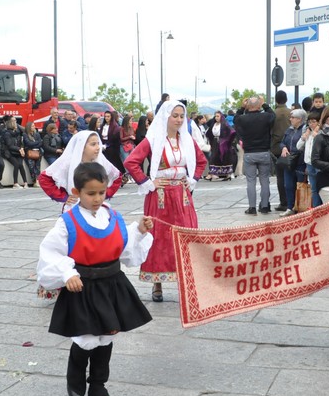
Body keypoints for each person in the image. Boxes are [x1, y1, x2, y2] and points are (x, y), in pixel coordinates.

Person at [36, 161, 155, 396]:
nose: (97, 198)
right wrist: (67, 272)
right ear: (77, 192)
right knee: (87, 337)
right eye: (91, 193)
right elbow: (50, 252)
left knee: (106, 336)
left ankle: (99, 386)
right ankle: (76, 372)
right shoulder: (67, 222)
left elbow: (124, 248)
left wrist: (141, 232)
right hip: (83, 287)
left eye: (101, 192)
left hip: (111, 285)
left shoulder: (114, 217)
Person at [124, 100, 207, 302]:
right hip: (160, 197)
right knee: (158, 237)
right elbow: (131, 162)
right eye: (175, 115)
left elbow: (201, 161)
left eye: (181, 116)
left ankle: (187, 281)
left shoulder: (186, 140)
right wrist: (148, 182)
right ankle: (157, 283)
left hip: (182, 196)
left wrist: (193, 179)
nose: (179, 120)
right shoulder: (153, 140)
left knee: (186, 236)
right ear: (165, 117)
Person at [38, 130, 122, 212]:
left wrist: (104, 193)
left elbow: (117, 176)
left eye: (98, 143)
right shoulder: (68, 162)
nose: (98, 147)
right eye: (93, 144)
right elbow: (44, 178)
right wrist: (62, 196)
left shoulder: (101, 160)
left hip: (97, 207)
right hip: (74, 207)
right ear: (81, 146)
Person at [235, 96, 276, 214]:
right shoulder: (266, 117)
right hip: (264, 152)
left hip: (249, 153)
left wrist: (242, 107)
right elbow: (273, 115)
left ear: (248, 106)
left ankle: (252, 207)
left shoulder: (243, 119)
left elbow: (236, 119)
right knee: (264, 180)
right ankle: (264, 206)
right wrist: (265, 104)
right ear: (259, 106)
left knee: (251, 181)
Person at [279, 108, 307, 216]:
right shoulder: (289, 130)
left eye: (293, 117)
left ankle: (300, 207)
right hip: (289, 161)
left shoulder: (304, 130)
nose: (290, 119)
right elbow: (282, 142)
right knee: (288, 185)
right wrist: (284, 147)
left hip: (300, 161)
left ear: (300, 119)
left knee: (300, 185)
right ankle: (290, 207)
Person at [270, 90, 292, 212]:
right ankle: (292, 201)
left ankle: (283, 202)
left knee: (280, 176)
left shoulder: (274, 113)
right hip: (291, 145)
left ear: (276, 100)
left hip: (277, 147)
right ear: (286, 99)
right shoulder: (291, 113)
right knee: (291, 175)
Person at [204, 111, 237, 181]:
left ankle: (227, 173)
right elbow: (209, 133)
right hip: (215, 143)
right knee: (213, 157)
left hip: (223, 144)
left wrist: (227, 140)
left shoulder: (225, 124)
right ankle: (214, 173)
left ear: (221, 117)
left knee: (224, 157)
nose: (216, 118)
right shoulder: (214, 124)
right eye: (215, 116)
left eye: (218, 116)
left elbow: (232, 132)